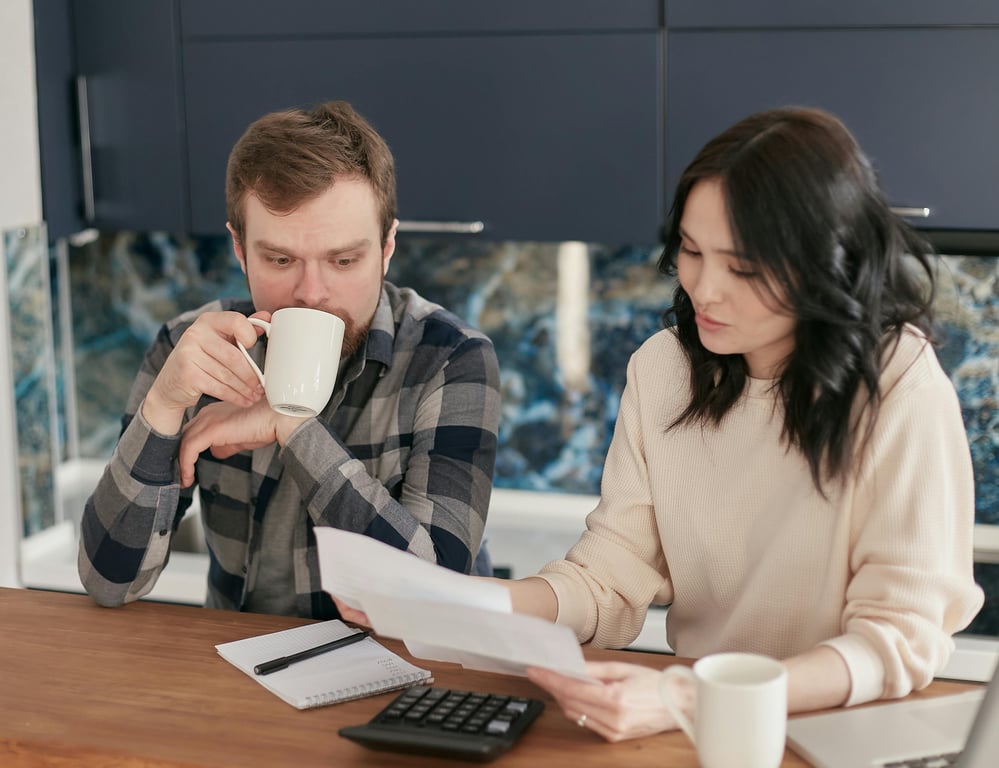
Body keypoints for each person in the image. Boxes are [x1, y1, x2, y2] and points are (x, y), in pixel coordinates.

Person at [341, 106, 983, 740]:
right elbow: (611, 574)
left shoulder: (898, 382)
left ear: (826, 261)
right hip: (699, 726)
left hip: (840, 735)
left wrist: (691, 695)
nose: (704, 289)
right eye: (692, 251)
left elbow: (899, 636)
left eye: (744, 269)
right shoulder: (665, 367)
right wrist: (451, 605)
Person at [78, 100, 501, 618]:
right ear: (239, 248)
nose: (312, 292)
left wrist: (293, 427)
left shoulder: (452, 359)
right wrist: (162, 405)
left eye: (344, 260)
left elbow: (438, 596)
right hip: (245, 670)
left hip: (409, 677)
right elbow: (108, 582)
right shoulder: (193, 352)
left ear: (388, 246)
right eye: (280, 259)